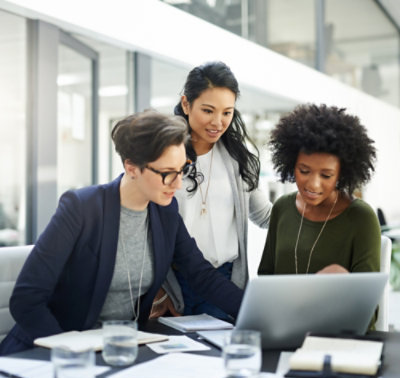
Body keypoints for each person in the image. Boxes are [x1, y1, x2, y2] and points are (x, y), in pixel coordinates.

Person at [0, 110, 243, 356]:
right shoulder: (82, 208)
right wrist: (71, 353)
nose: (178, 184)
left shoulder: (165, 212)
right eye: (167, 173)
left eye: (182, 170)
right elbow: (26, 300)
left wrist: (252, 311)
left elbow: (200, 274)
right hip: (52, 353)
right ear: (132, 167)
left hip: (120, 350)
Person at [151, 61, 271, 320]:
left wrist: (316, 204)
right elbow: (144, 225)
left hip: (224, 282)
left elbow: (265, 215)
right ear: (186, 104)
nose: (218, 122)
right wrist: (159, 289)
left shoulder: (238, 159)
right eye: (208, 110)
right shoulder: (162, 155)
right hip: (173, 285)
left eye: (227, 112)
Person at [258, 103, 380, 278]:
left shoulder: (361, 217)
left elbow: (367, 300)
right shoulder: (282, 208)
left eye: (326, 175)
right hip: (281, 306)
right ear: (292, 165)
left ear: (341, 174)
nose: (313, 185)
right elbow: (265, 276)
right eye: (304, 171)